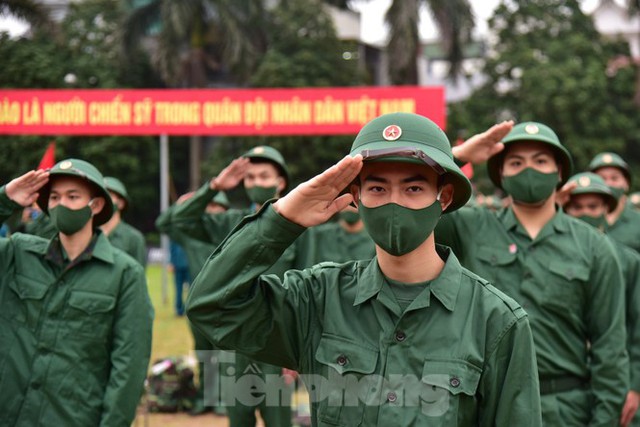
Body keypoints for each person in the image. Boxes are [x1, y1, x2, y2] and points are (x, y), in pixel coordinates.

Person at [186, 112, 542, 426]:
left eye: (414, 188)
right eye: (377, 187)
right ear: (355, 197)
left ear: (444, 198)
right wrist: (283, 217)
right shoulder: (318, 298)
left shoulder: (495, 320)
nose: (394, 202)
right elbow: (212, 305)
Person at [436, 121, 628, 425]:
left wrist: (604, 419)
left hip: (563, 409)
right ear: (500, 174)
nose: (529, 169)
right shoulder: (471, 227)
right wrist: (457, 156)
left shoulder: (595, 247)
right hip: (481, 404)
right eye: (515, 162)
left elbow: (610, 347)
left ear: (560, 172)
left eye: (540, 161)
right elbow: (417, 207)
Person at [0, 158, 153, 426]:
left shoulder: (125, 274)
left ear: (96, 205)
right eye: (55, 197)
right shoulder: (18, 253)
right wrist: (5, 199)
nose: (62, 205)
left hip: (71, 417)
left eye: (73, 197)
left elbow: (128, 369)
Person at [165, 145, 311, 427]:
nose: (257, 183)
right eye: (251, 178)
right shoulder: (232, 222)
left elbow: (307, 289)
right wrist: (214, 187)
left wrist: (298, 352)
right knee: (238, 419)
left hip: (277, 341)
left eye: (264, 176)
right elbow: (178, 221)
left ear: (281, 182)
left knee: (278, 419)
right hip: (234, 339)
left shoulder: (300, 224)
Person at [561, 171, 640, 427]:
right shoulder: (553, 256)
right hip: (567, 383)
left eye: (593, 206)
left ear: (607, 208)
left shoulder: (627, 261)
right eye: (577, 206)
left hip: (615, 374)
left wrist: (634, 385)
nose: (585, 213)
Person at [589, 152, 640, 252]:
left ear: (626, 183)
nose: (608, 183)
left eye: (614, 178)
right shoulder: (581, 219)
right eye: (602, 178)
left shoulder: (637, 222)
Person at [303, 204, 375, 264]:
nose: (350, 208)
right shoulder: (318, 235)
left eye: (354, 204)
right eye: (347, 203)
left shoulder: (375, 241)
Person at [101, 176, 147, 266]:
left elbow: (138, 275)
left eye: (108, 195)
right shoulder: (88, 234)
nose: (103, 200)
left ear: (121, 203)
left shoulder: (134, 238)